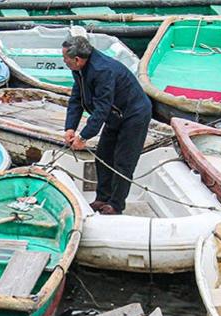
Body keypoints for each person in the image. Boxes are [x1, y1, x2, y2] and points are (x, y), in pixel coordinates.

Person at [62, 35, 153, 215]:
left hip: (133, 115)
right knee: (103, 155)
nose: (63, 61)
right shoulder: (79, 69)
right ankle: (102, 197)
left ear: (77, 60)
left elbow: (102, 108)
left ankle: (116, 205)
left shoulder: (102, 71)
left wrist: (84, 136)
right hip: (115, 115)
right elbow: (76, 99)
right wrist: (70, 127)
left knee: (123, 161)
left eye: (65, 58)